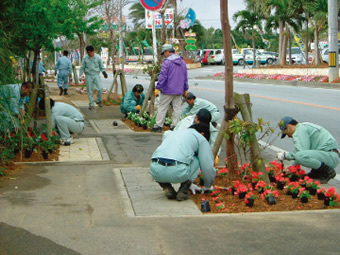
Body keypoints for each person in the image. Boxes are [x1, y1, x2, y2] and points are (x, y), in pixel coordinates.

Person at [150, 122, 216, 201]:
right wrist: (208, 186)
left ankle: (166, 187)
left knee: (164, 157)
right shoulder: (200, 138)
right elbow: (207, 166)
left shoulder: (173, 133)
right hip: (178, 171)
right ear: (202, 134)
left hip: (155, 170)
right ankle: (183, 190)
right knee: (197, 158)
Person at [276, 116, 339, 184]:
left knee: (300, 156)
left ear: (289, 127)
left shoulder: (299, 130)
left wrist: (285, 156)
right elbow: (302, 154)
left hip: (329, 156)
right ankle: (316, 173)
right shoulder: (303, 127)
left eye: (286, 133)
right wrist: (290, 169)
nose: (288, 136)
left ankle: (328, 172)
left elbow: (300, 154)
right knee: (301, 157)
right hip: (328, 156)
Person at [150, 44, 188, 132]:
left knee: (162, 107)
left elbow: (163, 76)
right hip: (179, 90)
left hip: (167, 90)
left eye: (164, 53)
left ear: (167, 52)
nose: (164, 55)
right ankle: (175, 126)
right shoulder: (182, 62)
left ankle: (158, 126)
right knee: (177, 109)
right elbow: (185, 76)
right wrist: (185, 88)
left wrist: (158, 88)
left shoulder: (167, 62)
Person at [79, 45, 108, 110]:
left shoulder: (98, 57)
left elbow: (101, 66)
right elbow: (82, 67)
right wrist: (80, 76)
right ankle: (91, 104)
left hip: (96, 75)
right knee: (90, 91)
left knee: (100, 89)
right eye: (88, 53)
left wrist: (104, 72)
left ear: (93, 51)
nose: (90, 54)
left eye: (91, 52)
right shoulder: (85, 58)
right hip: (88, 75)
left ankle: (98, 100)